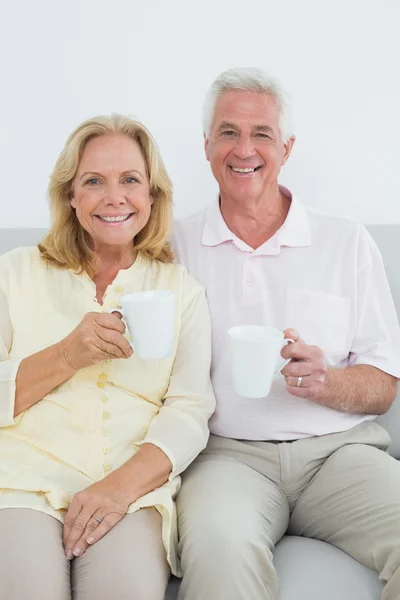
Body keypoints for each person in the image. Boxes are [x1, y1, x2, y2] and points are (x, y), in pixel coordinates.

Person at [172, 68, 400, 600]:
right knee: (220, 552)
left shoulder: (345, 242)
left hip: (339, 454)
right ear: (206, 145)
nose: (243, 149)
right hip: (224, 456)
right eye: (228, 132)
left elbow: (386, 384)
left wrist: (329, 383)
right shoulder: (171, 244)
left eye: (262, 134)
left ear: (287, 147)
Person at [0, 114, 215, 600]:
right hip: (19, 482)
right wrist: (66, 355)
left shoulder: (180, 290)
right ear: (70, 196)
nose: (114, 197)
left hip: (132, 490)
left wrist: (120, 487)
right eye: (93, 181)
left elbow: (190, 409)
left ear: (152, 196)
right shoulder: (14, 273)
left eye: (130, 181)